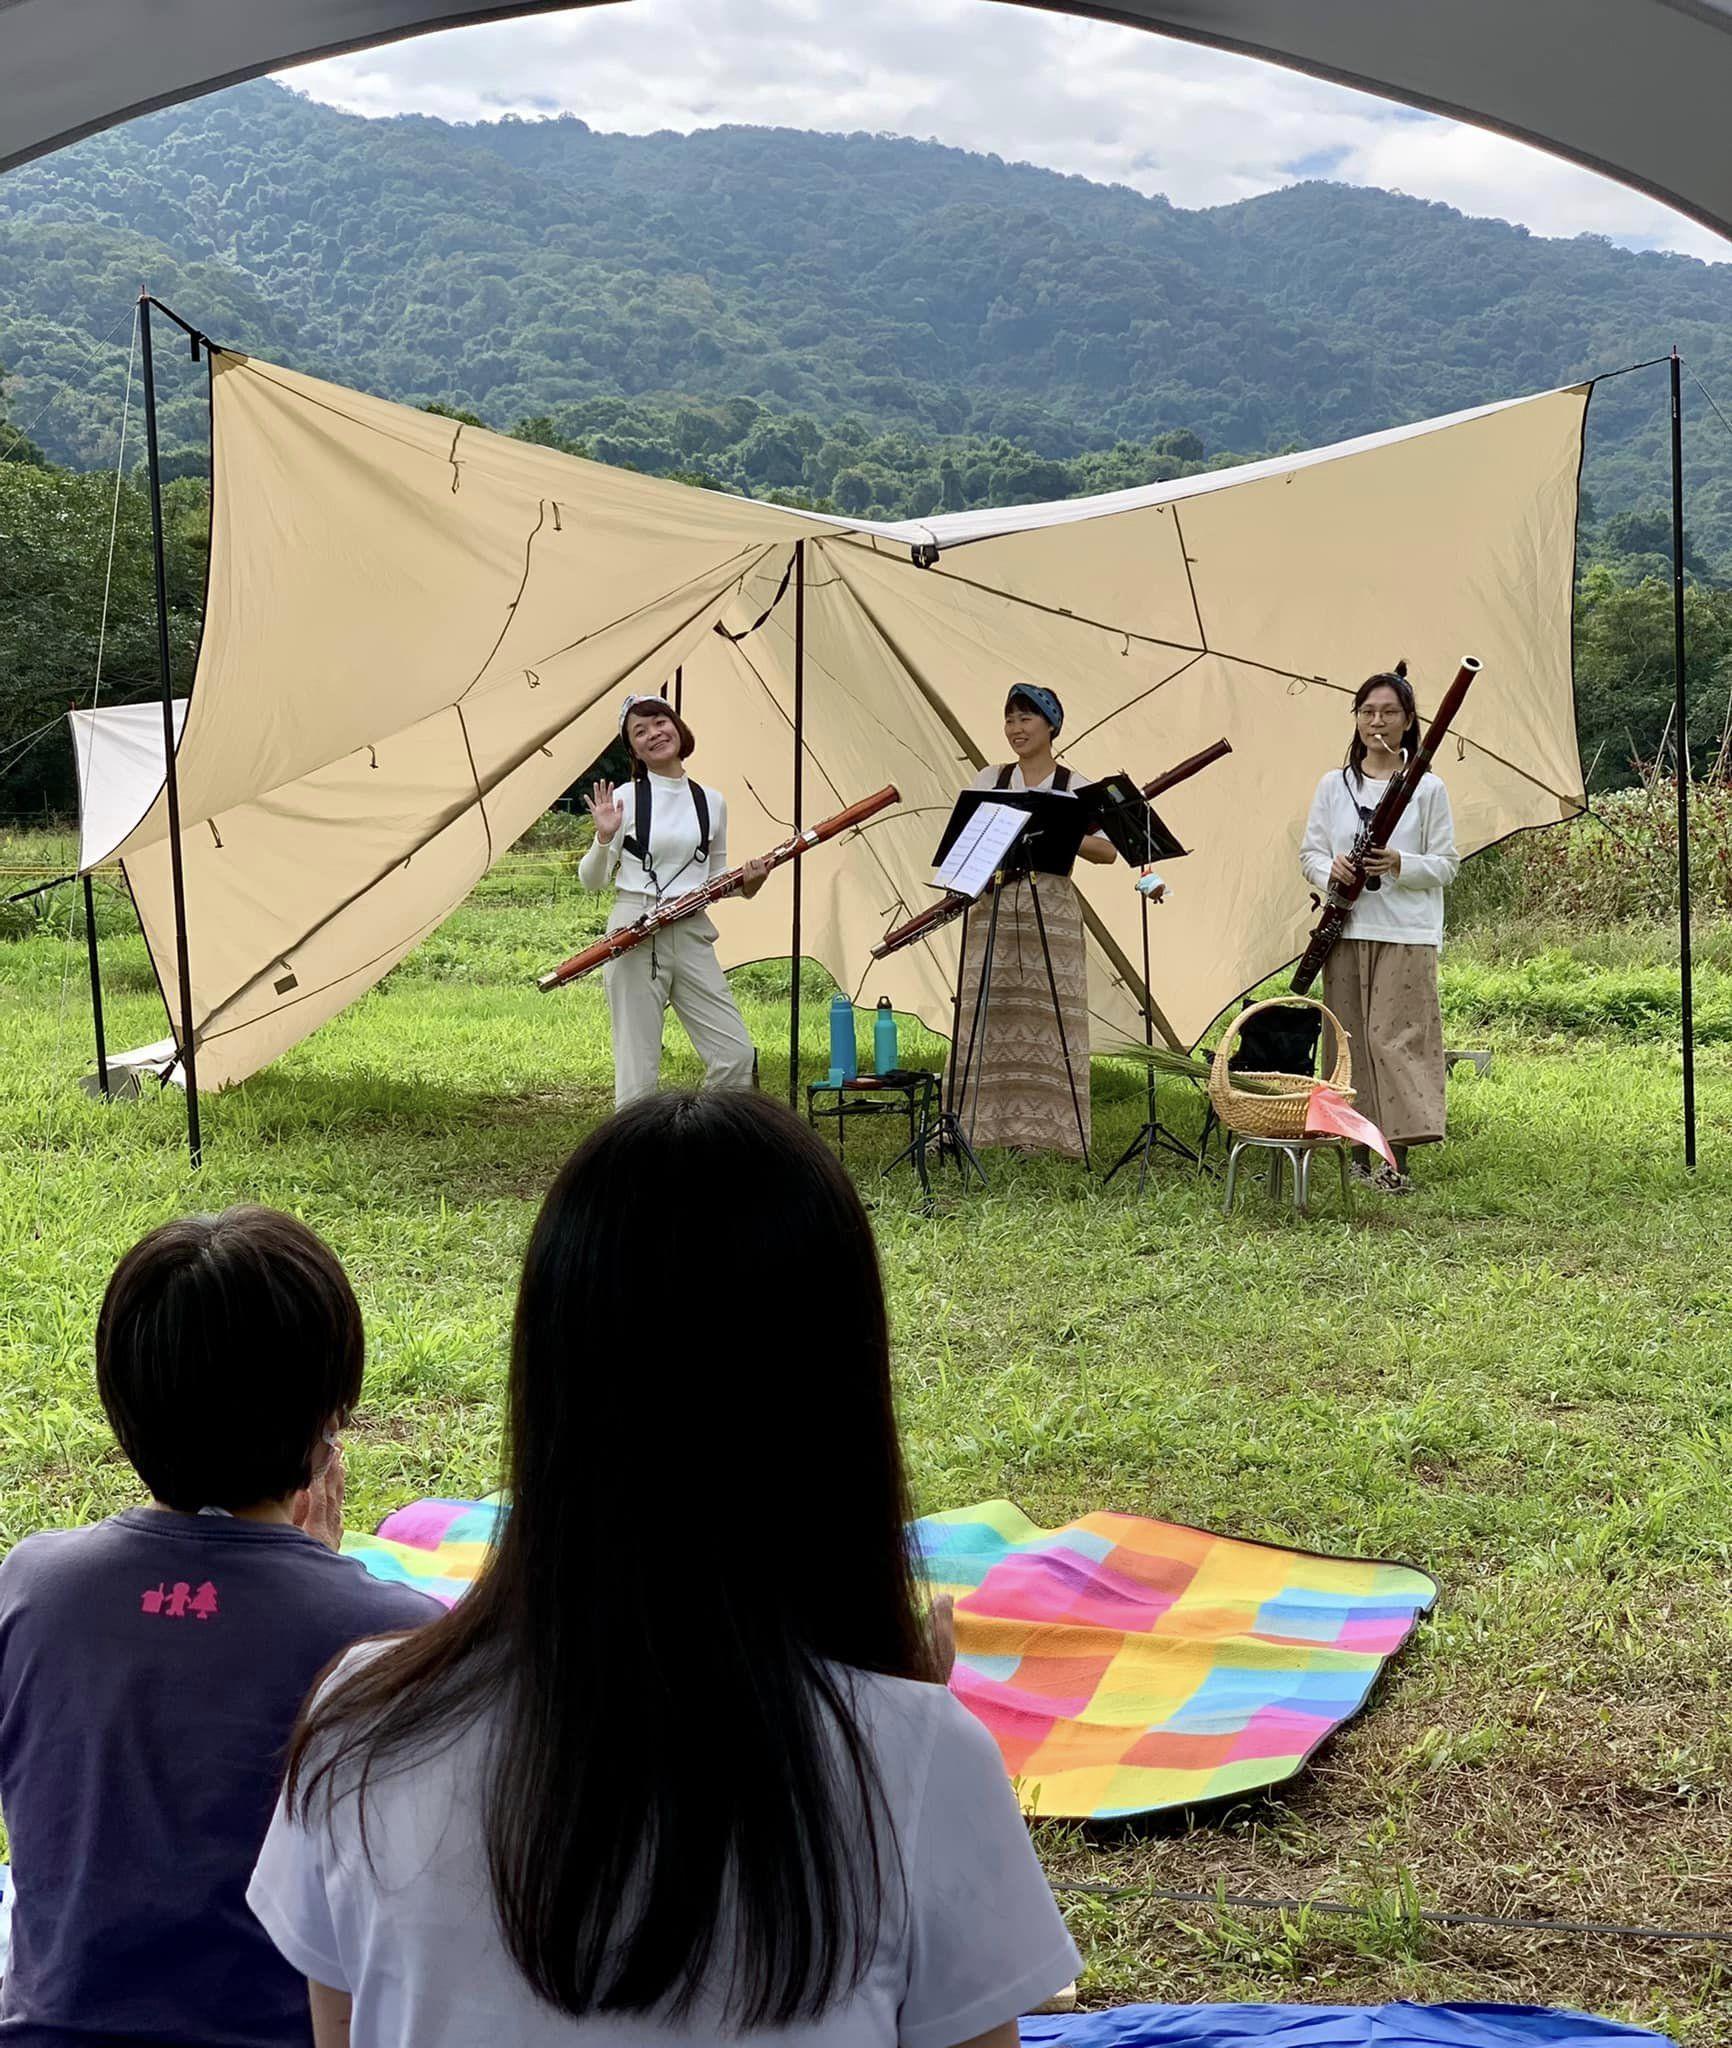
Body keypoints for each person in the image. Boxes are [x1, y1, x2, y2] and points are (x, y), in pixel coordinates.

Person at [250, 1092, 1080, 2048]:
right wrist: (899, 1724)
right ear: (838, 1405)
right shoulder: (922, 1763)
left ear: (551, 1384)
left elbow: (342, 2032)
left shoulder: (357, 1728)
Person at [0, 1208, 440, 2047]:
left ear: (118, 1398)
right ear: (330, 1421)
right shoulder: (393, 1637)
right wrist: (315, 1575)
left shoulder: (30, 1586)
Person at [1299, 661, 1460, 1194]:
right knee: (1347, 1038)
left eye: (1389, 712)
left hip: (1406, 931)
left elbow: (1446, 864)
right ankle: (1357, 1150)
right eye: (1367, 712)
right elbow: (1311, 853)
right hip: (1346, 926)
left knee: (1392, 1037)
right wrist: (1332, 871)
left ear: (1409, 720)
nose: (1377, 722)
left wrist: (1397, 862)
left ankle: (1399, 1153)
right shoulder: (1332, 784)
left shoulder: (1428, 787)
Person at [578, 691, 768, 1108]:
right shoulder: (625, 797)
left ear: (677, 726)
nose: (654, 734)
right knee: (638, 1066)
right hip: (635, 928)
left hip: (691, 929)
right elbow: (591, 881)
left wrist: (749, 883)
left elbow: (716, 879)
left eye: (659, 722)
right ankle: (637, 1163)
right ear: (634, 751)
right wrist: (604, 836)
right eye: (639, 732)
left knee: (735, 1055)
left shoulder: (711, 801)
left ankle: (707, 1141)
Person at [955, 685, 1115, 1160]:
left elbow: (1107, 850)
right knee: (989, 1010)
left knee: (1051, 1014)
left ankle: (1050, 1134)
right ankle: (981, 1127)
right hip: (995, 904)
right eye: (1009, 721)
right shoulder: (991, 777)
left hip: (1051, 904)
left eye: (1026, 719)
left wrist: (1060, 830)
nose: (1016, 729)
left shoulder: (1073, 784)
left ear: (1051, 726)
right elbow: (965, 843)